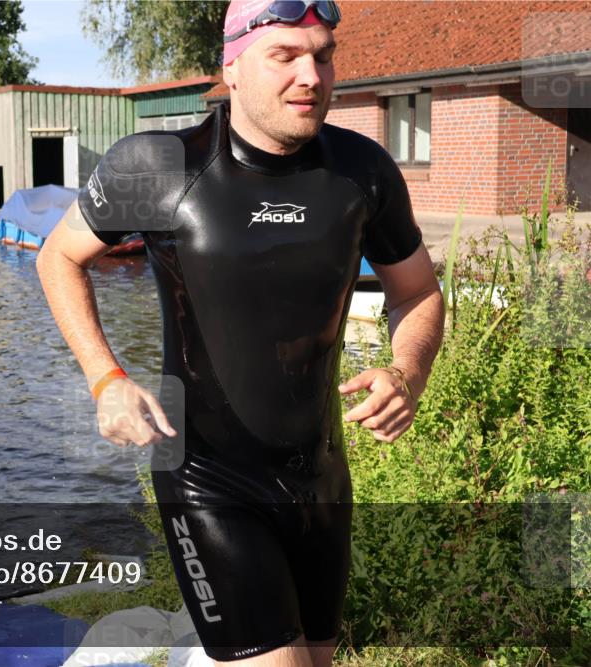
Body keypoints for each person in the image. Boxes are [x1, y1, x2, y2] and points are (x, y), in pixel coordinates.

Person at [36, 1, 445, 665]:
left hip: (320, 480)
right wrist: (105, 378)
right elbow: (59, 257)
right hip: (207, 478)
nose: (311, 75)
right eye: (285, 56)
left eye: (323, 55)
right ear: (231, 67)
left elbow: (418, 291)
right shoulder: (161, 166)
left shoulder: (362, 171)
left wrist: (407, 371)